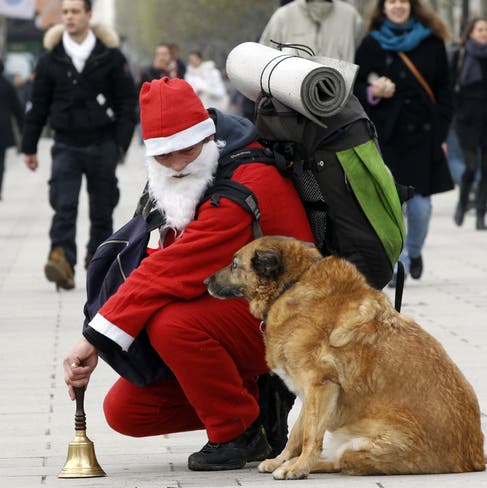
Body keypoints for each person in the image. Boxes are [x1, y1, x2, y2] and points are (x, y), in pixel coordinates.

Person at [63, 77, 315, 471]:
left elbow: (173, 268)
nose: (178, 165)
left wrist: (93, 338)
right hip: (235, 307)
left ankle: (238, 432)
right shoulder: (178, 177)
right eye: (165, 156)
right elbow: (152, 260)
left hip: (291, 318)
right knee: (126, 412)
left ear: (207, 136)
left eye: (186, 150)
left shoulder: (247, 180)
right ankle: (256, 404)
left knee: (171, 324)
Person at [20, 0, 137, 290]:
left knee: (102, 207)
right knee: (63, 204)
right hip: (66, 144)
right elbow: (38, 106)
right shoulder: (50, 59)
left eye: (75, 11)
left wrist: (121, 144)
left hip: (103, 142)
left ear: (88, 15)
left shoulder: (111, 57)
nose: (69, 17)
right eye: (66, 12)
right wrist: (29, 147)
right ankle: (61, 260)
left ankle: (98, 260)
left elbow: (127, 103)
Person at [354, 0, 453, 285]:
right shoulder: (371, 44)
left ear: (412, 6)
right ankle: (400, 265)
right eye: (392, 2)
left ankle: (414, 251)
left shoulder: (431, 42)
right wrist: (374, 91)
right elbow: (353, 87)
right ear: (383, 8)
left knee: (421, 208)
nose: (398, 6)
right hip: (387, 137)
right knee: (392, 206)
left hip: (424, 136)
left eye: (403, 1)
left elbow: (445, 91)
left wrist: (441, 133)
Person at [450, 17, 487, 231]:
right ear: (471, 33)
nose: (484, 33)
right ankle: (463, 202)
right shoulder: (461, 56)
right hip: (467, 119)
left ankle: (481, 214)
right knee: (471, 166)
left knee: (486, 167)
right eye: (479, 30)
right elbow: (450, 86)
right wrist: (458, 110)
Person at [259, 0, 364, 62]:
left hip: (340, 96)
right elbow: (263, 61)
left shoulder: (351, 18)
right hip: (288, 97)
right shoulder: (283, 17)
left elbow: (364, 62)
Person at [0, 60, 24, 201]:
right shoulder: (7, 85)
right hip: (3, 130)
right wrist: (23, 130)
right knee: (1, 162)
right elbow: (18, 109)